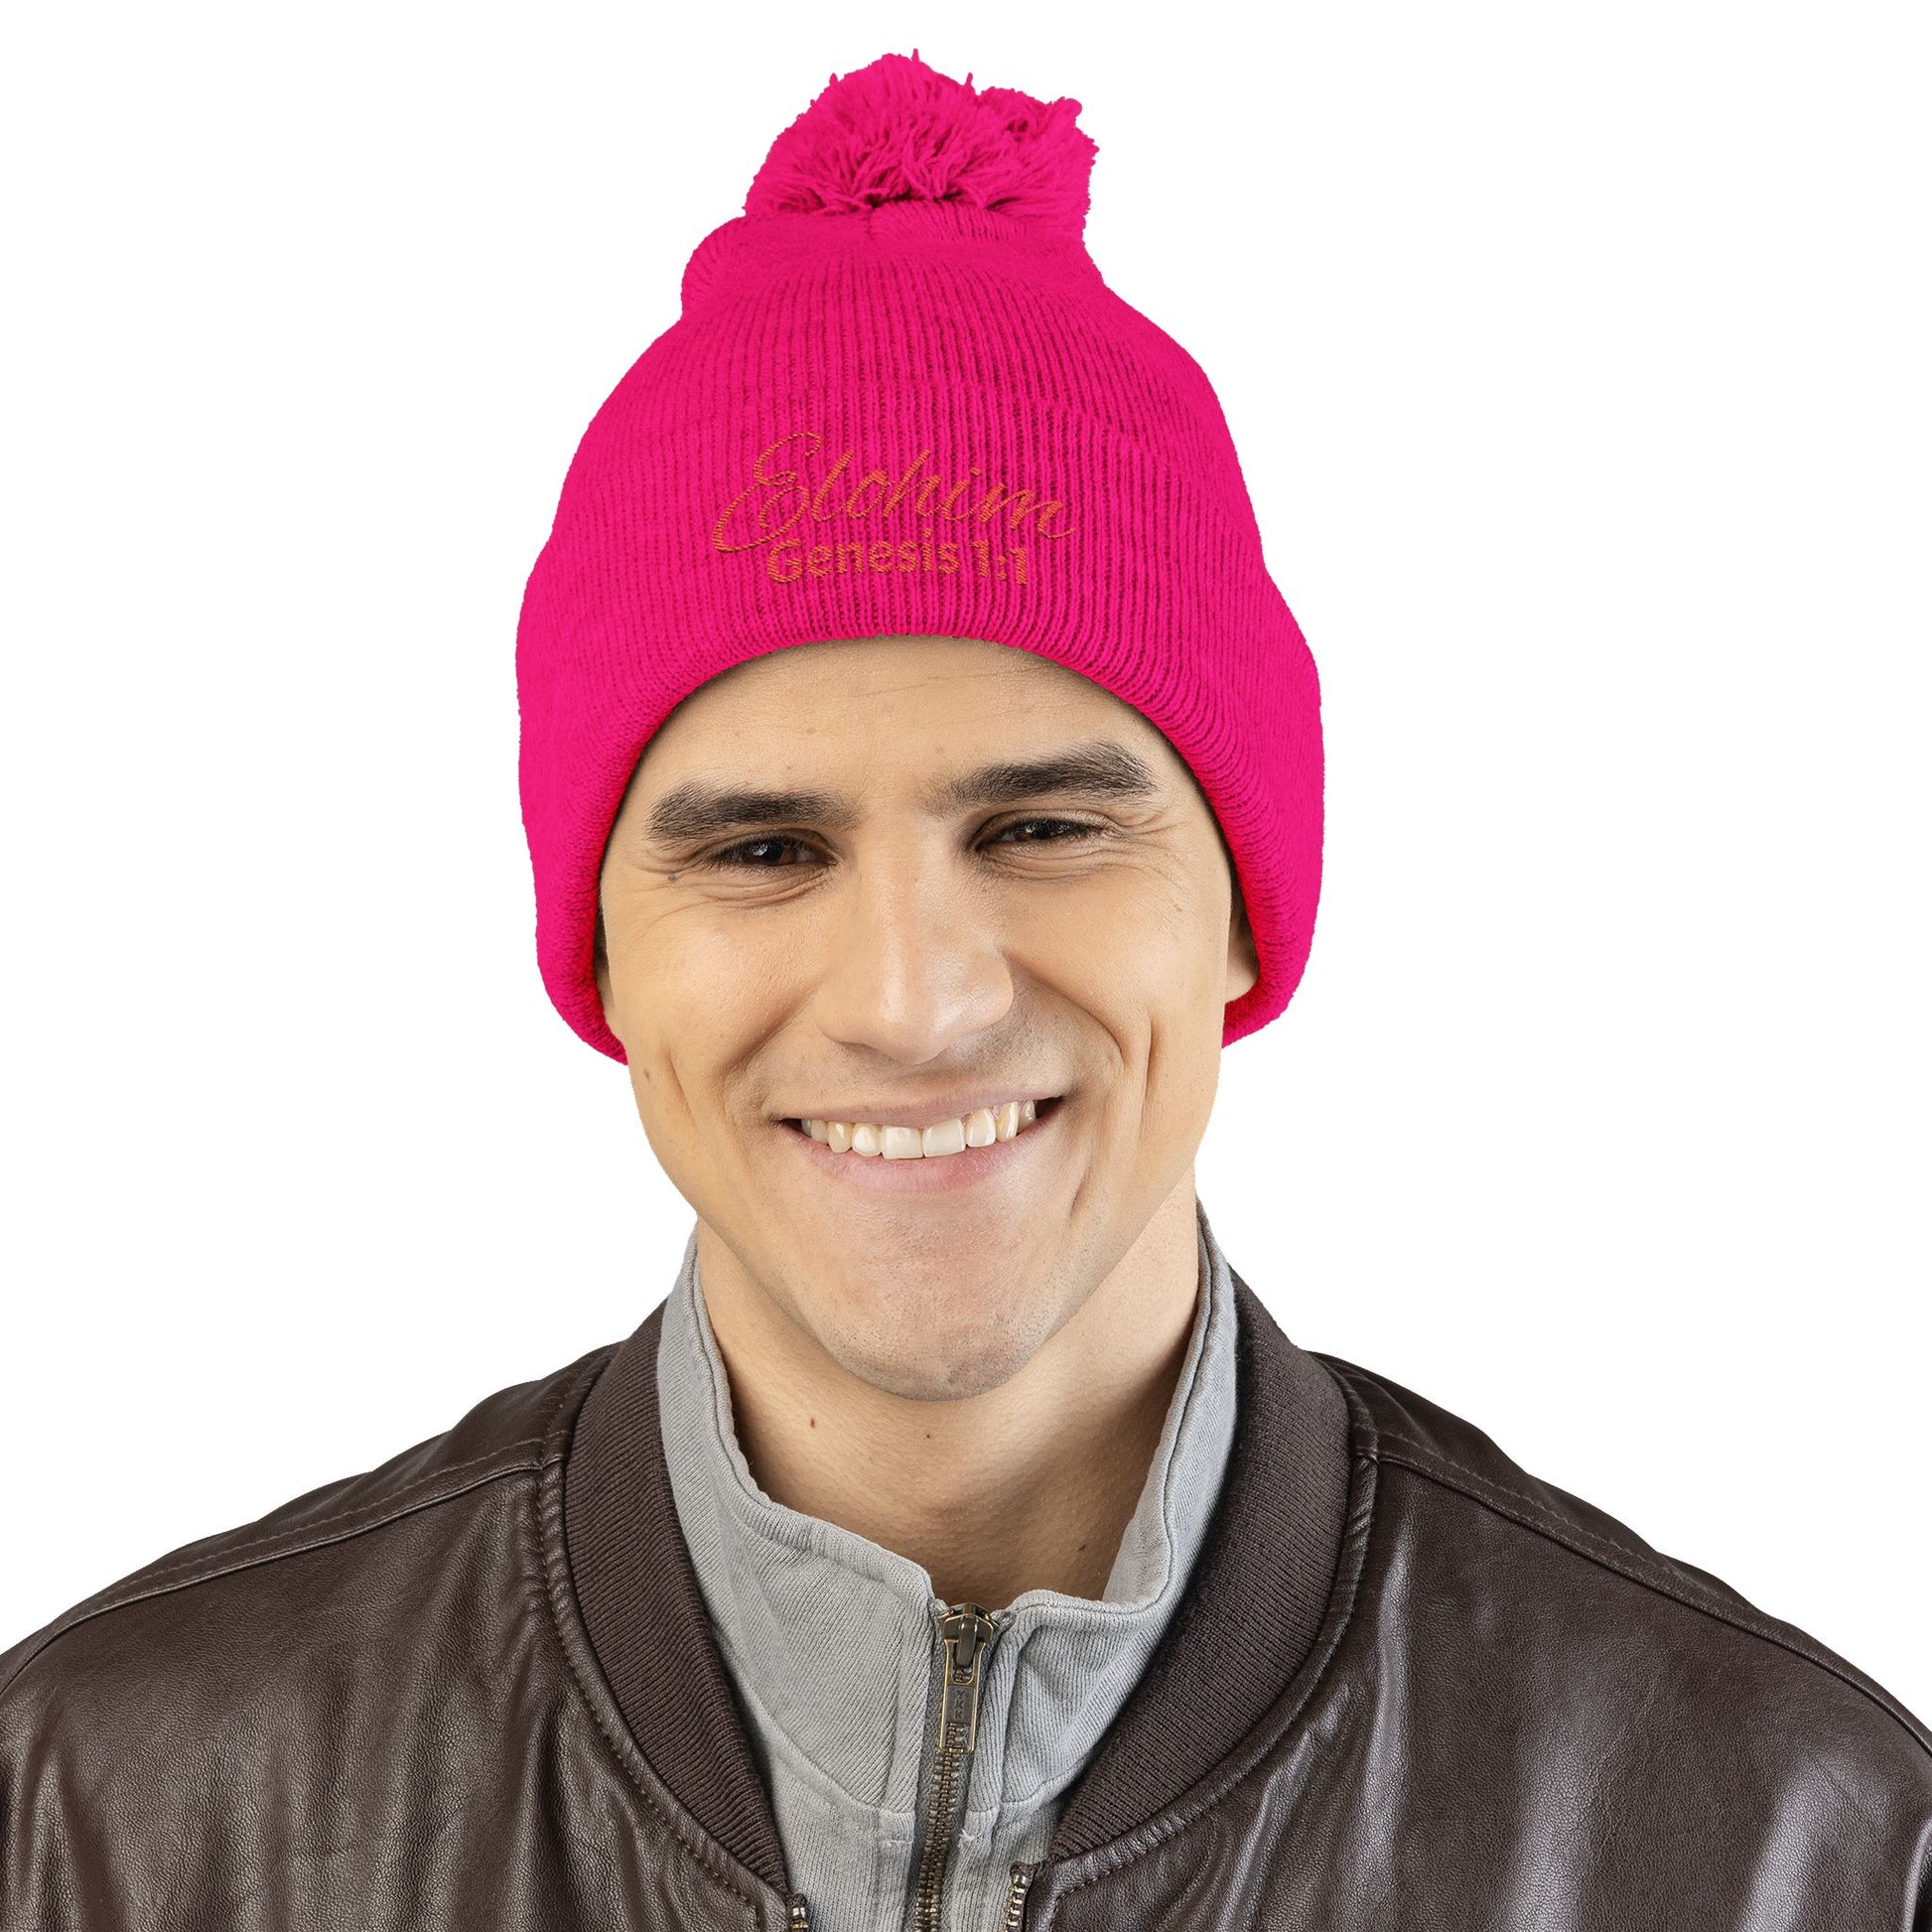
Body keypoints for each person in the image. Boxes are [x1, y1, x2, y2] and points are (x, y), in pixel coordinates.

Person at [2, 47, 1926, 1932]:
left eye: (1041, 829)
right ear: (600, 953)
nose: (912, 1002)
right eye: (764, 851)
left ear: (1243, 912)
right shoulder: (104, 1813)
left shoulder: (1793, 1850)